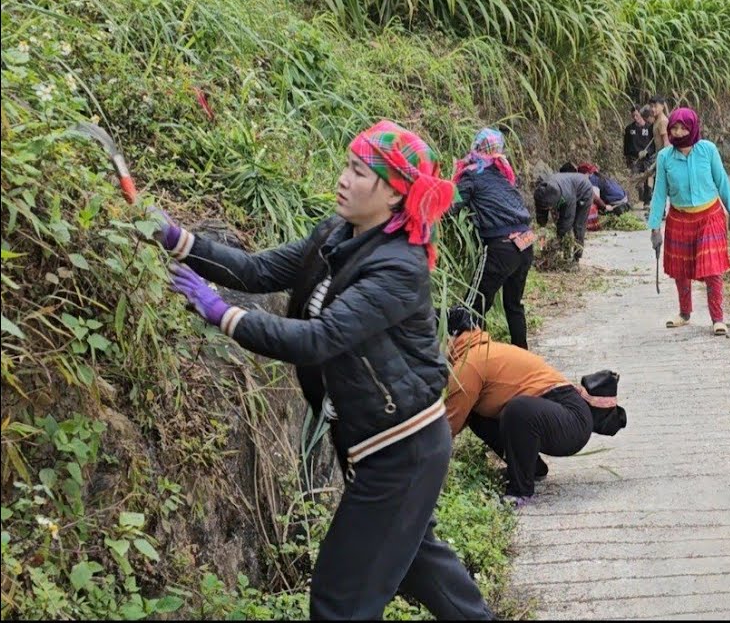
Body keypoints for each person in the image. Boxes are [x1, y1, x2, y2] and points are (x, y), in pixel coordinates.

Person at [156, 120, 492, 620]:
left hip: (402, 449)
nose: (343, 178)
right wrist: (180, 239)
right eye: (347, 166)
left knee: (339, 600)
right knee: (422, 565)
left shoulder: (401, 267)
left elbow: (319, 340)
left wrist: (223, 313)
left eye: (359, 172)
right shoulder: (337, 235)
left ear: (396, 194)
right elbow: (256, 271)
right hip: (378, 440)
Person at [443, 307, 593, 507]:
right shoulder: (477, 353)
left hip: (572, 420)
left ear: (451, 337)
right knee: (477, 414)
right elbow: (458, 414)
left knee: (517, 409)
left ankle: (520, 490)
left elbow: (447, 424)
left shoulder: (470, 363)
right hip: (556, 415)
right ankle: (530, 468)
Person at [647, 107, 730, 335]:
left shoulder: (707, 150)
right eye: (674, 128)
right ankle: (684, 313)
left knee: (713, 269)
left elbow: (722, 181)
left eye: (683, 128)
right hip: (679, 219)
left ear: (693, 128)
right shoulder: (665, 157)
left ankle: (717, 318)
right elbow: (659, 193)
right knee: (681, 270)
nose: (678, 133)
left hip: (709, 216)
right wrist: (654, 227)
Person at [450, 127, 536, 349]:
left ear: (476, 147)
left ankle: (475, 355)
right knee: (514, 304)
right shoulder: (503, 176)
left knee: (474, 304)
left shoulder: (471, 175)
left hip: (502, 247)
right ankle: (522, 354)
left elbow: (451, 206)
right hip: (526, 242)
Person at [533, 171, 595, 261]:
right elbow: (541, 214)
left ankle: (576, 256)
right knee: (559, 225)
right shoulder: (542, 193)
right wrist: (542, 227)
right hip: (568, 185)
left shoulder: (567, 197)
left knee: (578, 225)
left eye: (548, 207)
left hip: (584, 190)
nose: (547, 209)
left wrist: (559, 238)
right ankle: (563, 253)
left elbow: (567, 220)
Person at [623, 105, 654, 170]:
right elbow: (627, 146)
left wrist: (647, 152)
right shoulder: (629, 129)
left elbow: (653, 144)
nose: (635, 118)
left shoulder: (649, 128)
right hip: (634, 160)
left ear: (641, 114)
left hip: (647, 160)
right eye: (633, 116)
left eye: (637, 115)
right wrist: (635, 154)